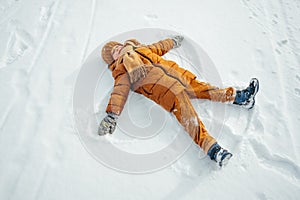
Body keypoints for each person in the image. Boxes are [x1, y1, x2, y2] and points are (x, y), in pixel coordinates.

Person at [99, 36, 259, 167]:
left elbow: (159, 46)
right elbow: (119, 92)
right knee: (191, 119)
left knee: (209, 90)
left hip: (181, 77)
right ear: (112, 60)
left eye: (116, 47)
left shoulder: (141, 49)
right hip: (167, 92)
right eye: (113, 52)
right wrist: (112, 115)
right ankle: (213, 150)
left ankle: (241, 98)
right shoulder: (121, 71)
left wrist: (172, 42)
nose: (117, 50)